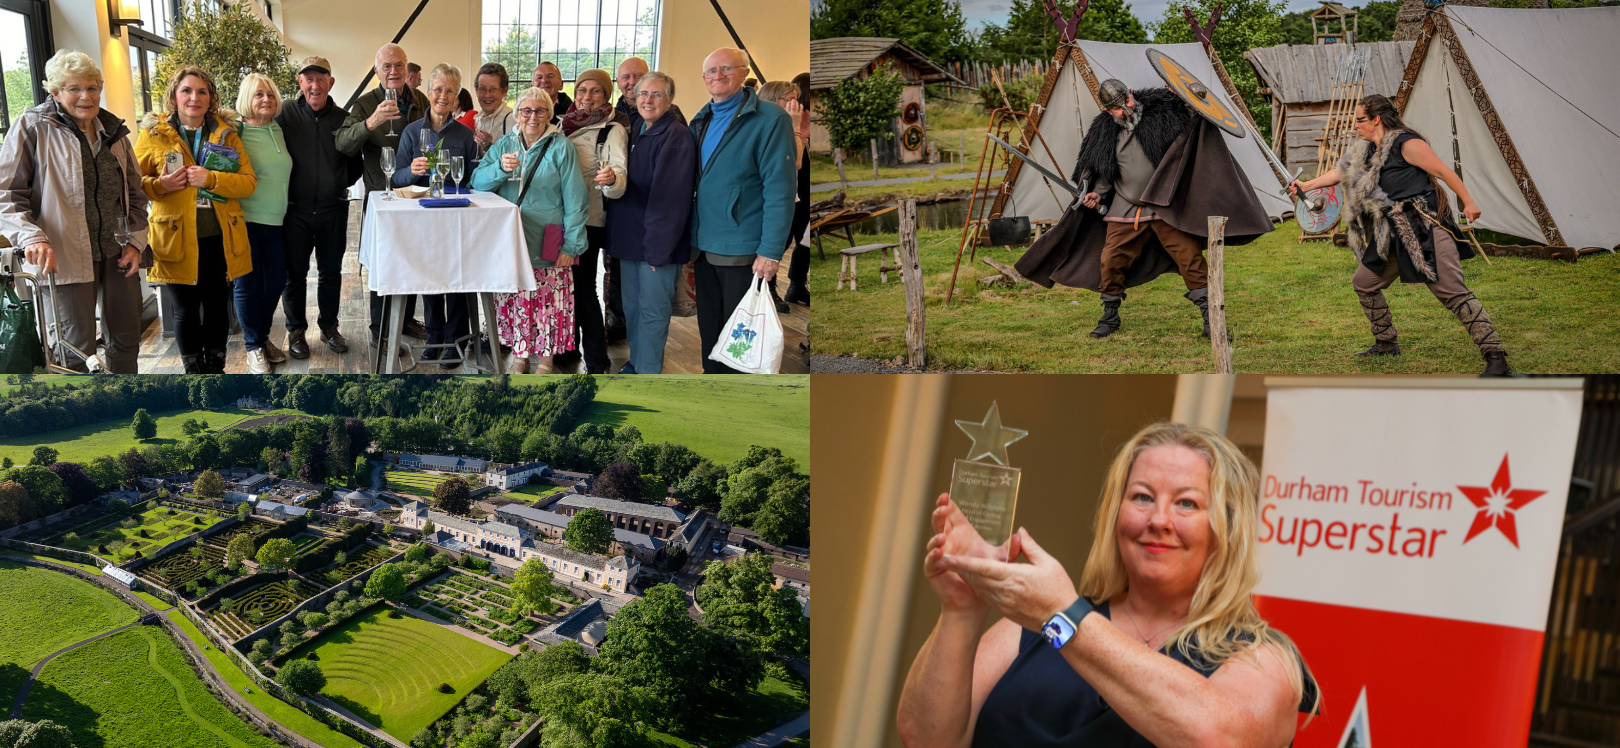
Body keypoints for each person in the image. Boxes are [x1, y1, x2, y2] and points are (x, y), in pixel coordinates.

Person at [897, 422, 1320, 748]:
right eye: (1141, 497)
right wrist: (963, 609)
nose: (1158, 520)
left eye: (1187, 503)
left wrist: (1065, 616)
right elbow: (924, 739)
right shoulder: (1024, 628)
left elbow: (1216, 738)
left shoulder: (1264, 661)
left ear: (1226, 527)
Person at [1014, 79, 1273, 340]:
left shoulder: (1161, 114)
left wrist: (1185, 96)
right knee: (1111, 261)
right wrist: (1095, 194)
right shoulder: (1104, 133)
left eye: (1125, 101)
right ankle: (1110, 317)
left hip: (1164, 206)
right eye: (1115, 108)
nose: (1124, 109)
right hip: (1125, 207)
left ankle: (1212, 320)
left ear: (1130, 94)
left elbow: (1193, 123)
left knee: (1190, 259)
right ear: (1106, 111)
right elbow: (1104, 174)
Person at [1289, 94, 1508, 376]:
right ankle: (1385, 342)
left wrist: (1469, 201)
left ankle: (1495, 357)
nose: (1355, 125)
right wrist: (1306, 184)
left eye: (1359, 120)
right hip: (1389, 232)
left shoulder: (1408, 144)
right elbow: (1338, 173)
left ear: (1376, 119)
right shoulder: (1366, 150)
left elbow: (1442, 171)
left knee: (1451, 291)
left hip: (1423, 225)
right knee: (1364, 282)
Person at [0, 50, 146, 373]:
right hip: (63, 256)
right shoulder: (32, 127)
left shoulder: (113, 131)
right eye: (74, 89)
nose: (86, 96)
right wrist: (31, 237)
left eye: (93, 87)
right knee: (73, 351)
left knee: (125, 341)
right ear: (55, 93)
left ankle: (128, 410)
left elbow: (136, 194)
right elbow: (6, 194)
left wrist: (136, 241)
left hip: (117, 253)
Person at [135, 66, 258, 374]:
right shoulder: (152, 135)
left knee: (218, 307)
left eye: (202, 91)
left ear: (211, 97)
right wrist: (160, 186)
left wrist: (212, 178)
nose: (194, 98)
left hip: (219, 236)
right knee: (185, 309)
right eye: (186, 91)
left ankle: (216, 372)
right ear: (174, 97)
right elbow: (132, 184)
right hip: (174, 237)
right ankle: (193, 374)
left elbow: (248, 182)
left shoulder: (227, 134)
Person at [688, 48, 796, 373]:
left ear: (744, 72)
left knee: (739, 340)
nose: (717, 76)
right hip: (704, 246)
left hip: (742, 248)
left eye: (726, 69)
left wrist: (771, 251)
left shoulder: (770, 119)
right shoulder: (702, 118)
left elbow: (780, 190)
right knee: (710, 336)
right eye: (710, 71)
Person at [469, 87, 589, 374]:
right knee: (517, 298)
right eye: (526, 110)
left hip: (550, 235)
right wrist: (499, 167)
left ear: (549, 114)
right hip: (510, 237)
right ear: (517, 114)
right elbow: (477, 182)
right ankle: (521, 356)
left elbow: (576, 199)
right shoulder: (504, 145)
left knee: (549, 301)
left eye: (540, 110)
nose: (532, 116)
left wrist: (571, 246)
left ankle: (546, 362)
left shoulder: (561, 147)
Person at [337, 43, 431, 350]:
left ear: (407, 69)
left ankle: (404, 320)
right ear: (377, 71)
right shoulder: (366, 104)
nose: (393, 71)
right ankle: (379, 327)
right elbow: (343, 144)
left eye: (398, 65)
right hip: (381, 197)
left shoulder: (419, 99)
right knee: (382, 261)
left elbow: (430, 135)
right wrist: (370, 123)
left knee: (414, 257)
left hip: (415, 193)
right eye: (386, 66)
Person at [604, 71, 694, 374]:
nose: (648, 100)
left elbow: (670, 202)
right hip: (631, 242)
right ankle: (637, 363)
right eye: (643, 94)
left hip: (655, 246)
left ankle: (648, 374)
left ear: (669, 99)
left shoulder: (676, 137)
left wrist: (659, 250)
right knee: (633, 309)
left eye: (656, 94)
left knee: (653, 312)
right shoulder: (640, 127)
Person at [393, 63, 480, 369]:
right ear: (428, 93)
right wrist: (410, 171)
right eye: (438, 89)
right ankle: (434, 338)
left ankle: (456, 341)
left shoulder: (465, 135)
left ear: (457, 97)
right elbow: (396, 177)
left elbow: (472, 180)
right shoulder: (412, 131)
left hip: (456, 220)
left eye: (450, 91)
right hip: (423, 219)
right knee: (430, 279)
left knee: (456, 279)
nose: (443, 96)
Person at [277, 55, 356, 359]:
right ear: (300, 82)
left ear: (330, 83)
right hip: (294, 211)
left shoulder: (343, 119)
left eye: (321, 79)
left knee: (331, 272)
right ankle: (296, 331)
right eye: (308, 79)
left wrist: (334, 182)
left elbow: (355, 165)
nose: (315, 85)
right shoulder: (284, 114)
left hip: (333, 209)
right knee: (294, 275)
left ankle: (329, 327)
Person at [558, 68, 628, 374]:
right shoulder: (564, 124)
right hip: (564, 218)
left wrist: (612, 179)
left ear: (607, 94)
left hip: (590, 219)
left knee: (584, 287)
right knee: (569, 285)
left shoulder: (612, 129)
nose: (587, 97)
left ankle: (597, 360)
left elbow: (618, 173)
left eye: (595, 91)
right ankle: (569, 346)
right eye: (582, 90)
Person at [233, 72, 292, 374]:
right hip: (245, 220)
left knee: (276, 283)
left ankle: (262, 337)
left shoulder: (277, 129)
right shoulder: (236, 132)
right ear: (246, 99)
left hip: (276, 220)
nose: (266, 100)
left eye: (269, 94)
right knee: (247, 285)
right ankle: (253, 346)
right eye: (258, 94)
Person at [755, 79, 812, 312]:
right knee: (777, 243)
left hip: (798, 193)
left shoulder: (790, 122)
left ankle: (796, 285)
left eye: (795, 99)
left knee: (803, 239)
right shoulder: (772, 124)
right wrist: (797, 128)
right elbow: (795, 162)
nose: (793, 104)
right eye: (787, 99)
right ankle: (767, 290)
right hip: (774, 197)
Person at [614, 56, 685, 131]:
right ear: (618, 83)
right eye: (626, 77)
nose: (632, 82)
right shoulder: (613, 115)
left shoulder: (672, 113)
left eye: (638, 76)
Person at [471, 63, 517, 170]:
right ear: (476, 91)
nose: (487, 95)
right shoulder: (478, 119)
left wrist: (490, 147)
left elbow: (516, 159)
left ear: (504, 91)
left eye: (493, 89)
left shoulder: (512, 120)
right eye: (482, 89)